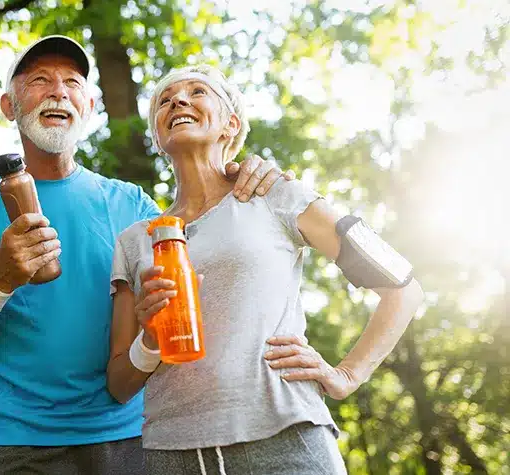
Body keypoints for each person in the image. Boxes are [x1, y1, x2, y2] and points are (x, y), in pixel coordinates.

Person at [0, 36, 293, 475]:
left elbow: (201, 288)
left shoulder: (134, 206)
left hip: (137, 436)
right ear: (9, 105)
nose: (59, 90)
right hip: (20, 445)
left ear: (91, 105)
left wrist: (244, 172)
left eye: (73, 82)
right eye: (40, 80)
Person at [106, 64, 425, 474]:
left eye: (197, 92)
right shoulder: (135, 241)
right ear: (159, 137)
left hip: (286, 440)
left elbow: (403, 287)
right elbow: (119, 384)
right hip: (172, 455)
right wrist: (150, 341)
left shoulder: (277, 195)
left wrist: (347, 373)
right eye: (165, 101)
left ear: (230, 125)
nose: (178, 101)